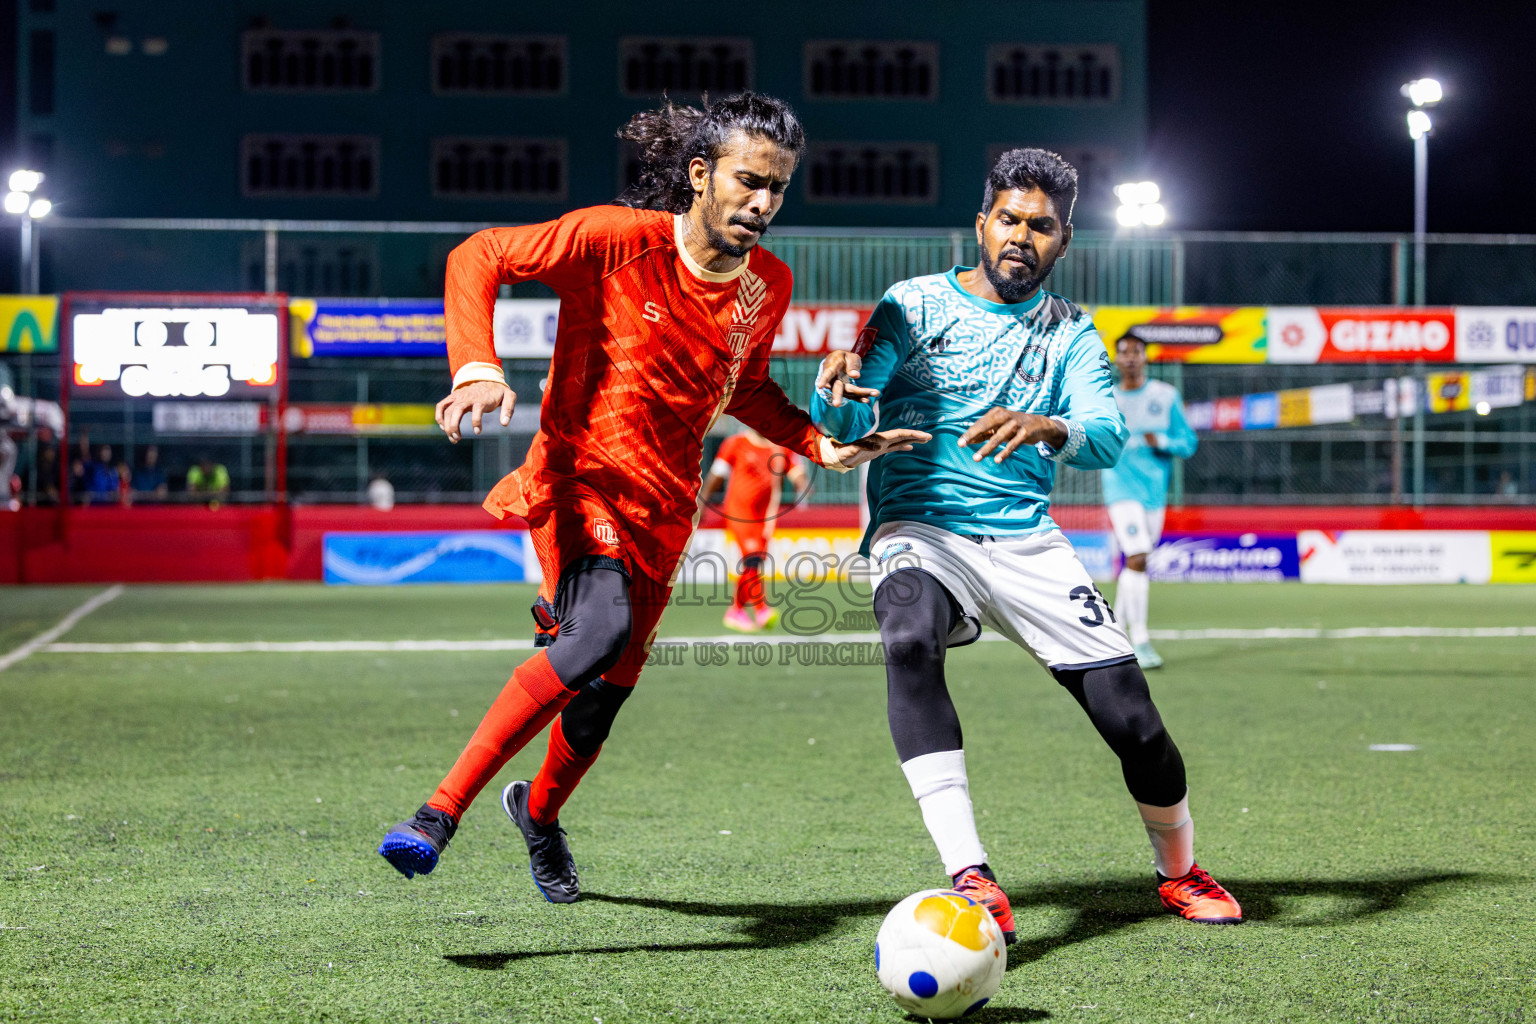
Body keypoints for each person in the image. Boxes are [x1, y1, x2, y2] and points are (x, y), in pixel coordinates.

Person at [377, 92, 928, 900]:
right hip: (579, 478)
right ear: (701, 174)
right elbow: (480, 254)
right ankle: (438, 812)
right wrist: (477, 365)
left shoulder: (766, 285)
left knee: (605, 695)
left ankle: (538, 813)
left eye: (778, 188)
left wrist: (821, 442)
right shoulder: (613, 240)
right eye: (748, 181)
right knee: (597, 633)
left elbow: (744, 388)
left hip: (665, 513)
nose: (762, 203)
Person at [812, 148, 1241, 942]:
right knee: (907, 636)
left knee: (1134, 723)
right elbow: (847, 418)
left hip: (1027, 544)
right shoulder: (908, 305)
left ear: (1063, 240)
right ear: (982, 224)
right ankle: (971, 875)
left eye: (1040, 226)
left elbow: (1107, 438)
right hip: (921, 528)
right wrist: (831, 388)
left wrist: (1052, 425)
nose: (1021, 236)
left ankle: (1180, 872)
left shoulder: (1074, 335)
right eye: (1008, 219)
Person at [1101, 333, 1198, 670]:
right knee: (1138, 555)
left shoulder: (1165, 396)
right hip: (1119, 491)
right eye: (1123, 352)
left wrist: (1165, 441)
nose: (1129, 358)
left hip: (1154, 495)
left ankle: (1114, 635)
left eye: (1136, 352)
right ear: (1116, 359)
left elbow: (1188, 443)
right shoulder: (1106, 399)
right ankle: (1139, 640)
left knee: (1136, 562)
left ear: (1145, 357)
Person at [698, 426, 810, 631]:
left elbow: (797, 472)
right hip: (738, 512)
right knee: (753, 557)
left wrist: (803, 486)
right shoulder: (735, 443)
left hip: (765, 518)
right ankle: (761, 609)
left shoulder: (780, 447)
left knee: (754, 564)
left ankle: (736, 610)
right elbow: (716, 476)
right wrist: (702, 503)